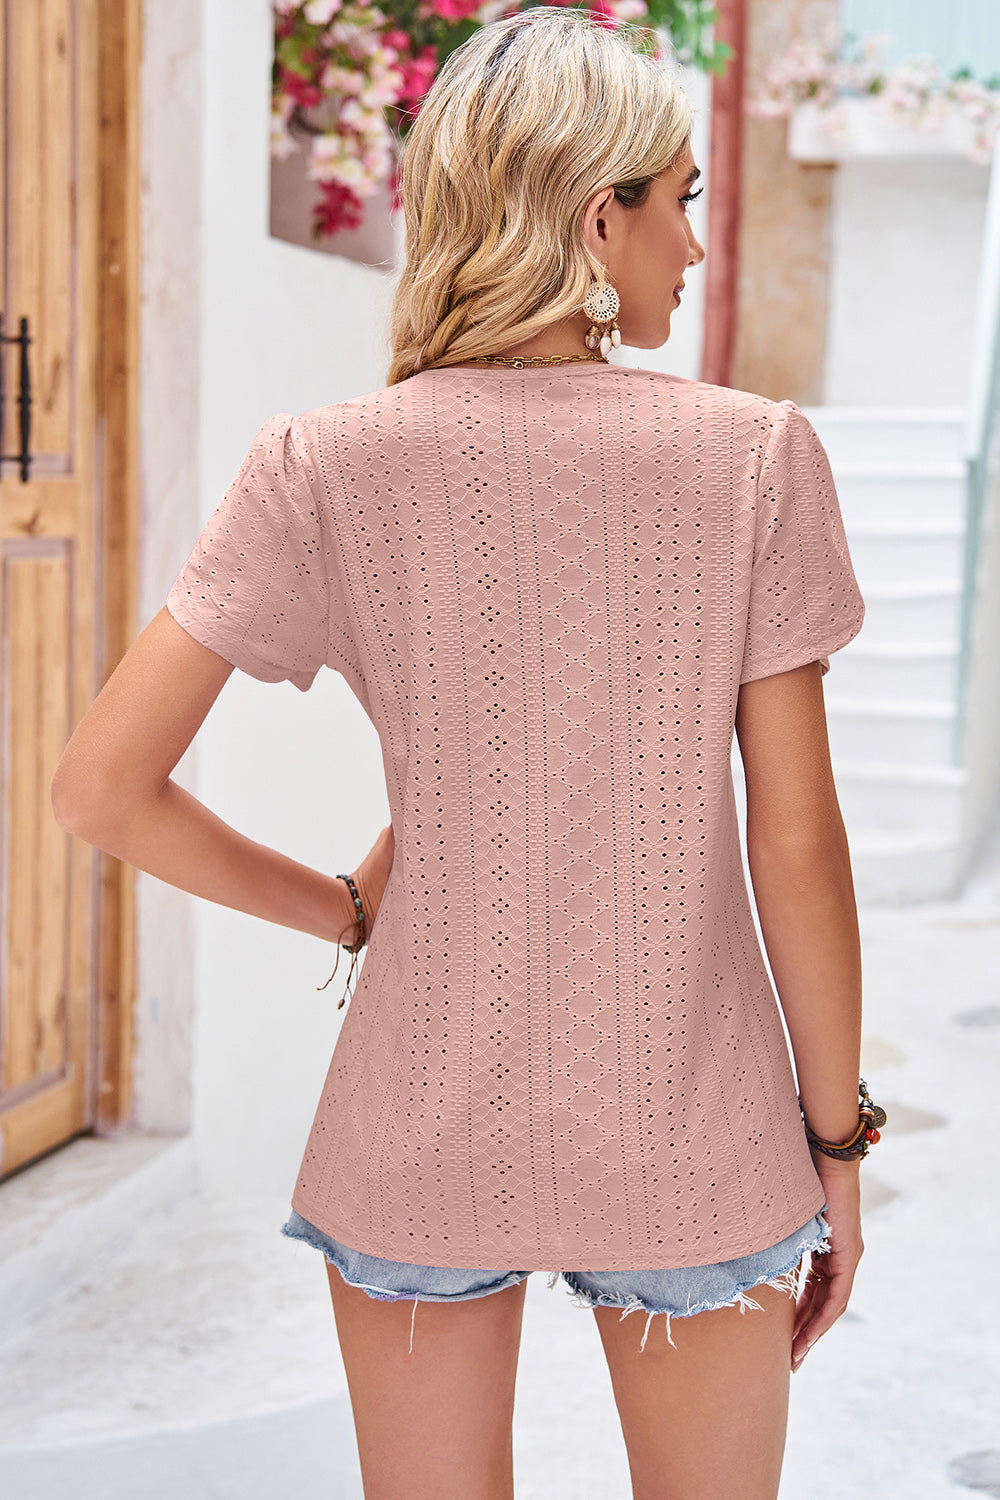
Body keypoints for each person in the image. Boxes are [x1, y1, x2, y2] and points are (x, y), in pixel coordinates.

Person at [51, 8, 886, 1498]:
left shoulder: (320, 463)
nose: (694, 246)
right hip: (695, 1129)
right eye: (679, 201)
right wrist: (839, 1144)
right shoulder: (756, 456)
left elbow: (99, 789)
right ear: (596, 219)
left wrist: (343, 910)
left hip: (417, 1121)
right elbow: (798, 846)